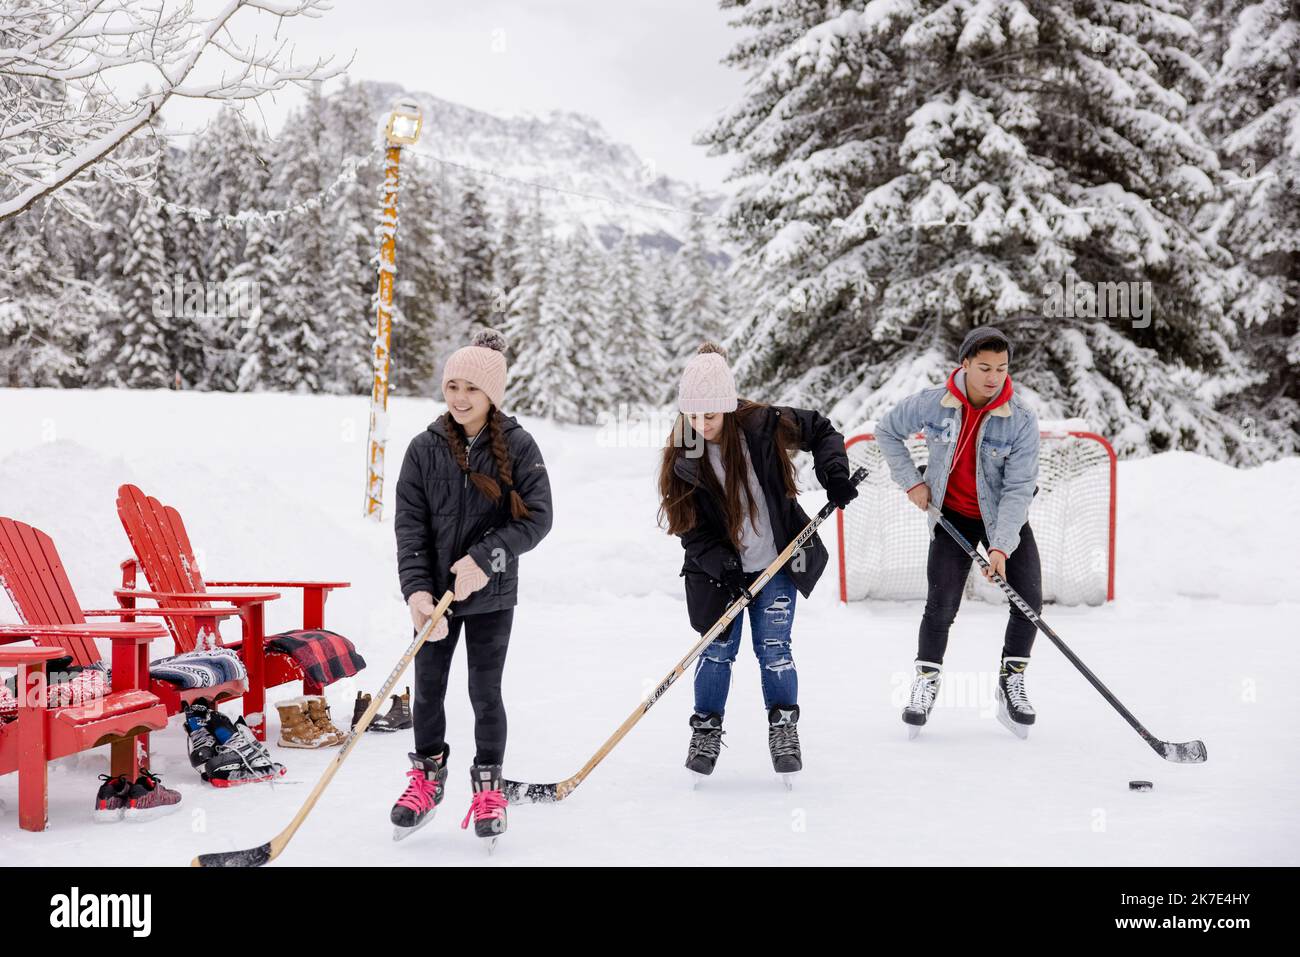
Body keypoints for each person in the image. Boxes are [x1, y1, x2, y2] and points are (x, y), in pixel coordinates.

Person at [657, 342, 855, 779]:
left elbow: (821, 430)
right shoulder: (683, 453)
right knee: (717, 651)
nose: (700, 424)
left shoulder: (764, 425)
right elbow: (688, 525)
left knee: (774, 648)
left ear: (728, 407)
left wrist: (833, 473)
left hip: (778, 561)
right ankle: (706, 731)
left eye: (710, 415)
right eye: (692, 415)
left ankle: (784, 728)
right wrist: (722, 564)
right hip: (718, 573)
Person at [392, 328, 553, 844]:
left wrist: (486, 560)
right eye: (452, 385)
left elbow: (539, 519)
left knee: (485, 692)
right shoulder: (423, 449)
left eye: (472, 389)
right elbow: (410, 528)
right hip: (433, 599)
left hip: (490, 596)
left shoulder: (520, 446)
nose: (459, 398)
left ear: (493, 396)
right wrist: (417, 593)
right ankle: (427, 777)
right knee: (429, 691)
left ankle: (489, 785)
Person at [874, 327, 1042, 737]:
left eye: (1002, 369)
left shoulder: (1020, 420)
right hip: (950, 515)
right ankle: (926, 681)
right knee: (941, 604)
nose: (993, 377)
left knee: (1029, 601)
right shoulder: (935, 404)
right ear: (964, 364)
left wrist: (1001, 547)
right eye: (984, 367)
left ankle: (1011, 680)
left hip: (1001, 516)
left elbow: (1019, 489)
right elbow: (886, 430)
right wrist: (912, 481)